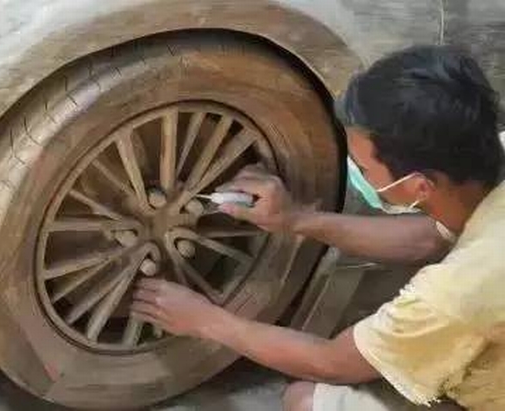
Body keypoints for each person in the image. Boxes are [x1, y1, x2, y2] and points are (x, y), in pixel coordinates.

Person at [131, 46, 505, 411]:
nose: (357, 172)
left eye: (364, 167)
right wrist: (296, 219)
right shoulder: (484, 166)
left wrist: (207, 321)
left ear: (419, 186)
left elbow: (331, 363)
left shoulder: (456, 293)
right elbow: (427, 238)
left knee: (306, 401)